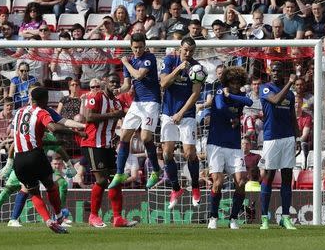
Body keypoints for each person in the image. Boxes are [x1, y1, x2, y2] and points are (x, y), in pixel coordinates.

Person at [81, 78, 138, 228]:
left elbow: (124, 113)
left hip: (107, 146)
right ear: (105, 83)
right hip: (93, 144)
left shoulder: (117, 103)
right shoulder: (97, 96)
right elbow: (89, 117)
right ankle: (93, 216)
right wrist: (113, 115)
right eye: (112, 82)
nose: (114, 84)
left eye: (116, 83)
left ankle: (118, 218)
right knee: (101, 180)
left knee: (115, 180)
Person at [108, 33, 162, 189]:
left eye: (140, 47)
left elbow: (138, 75)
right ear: (131, 46)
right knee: (124, 136)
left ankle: (156, 171)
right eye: (135, 47)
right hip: (137, 102)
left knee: (145, 138)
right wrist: (119, 90)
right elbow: (127, 85)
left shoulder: (149, 57)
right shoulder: (130, 61)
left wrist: (125, 63)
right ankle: (119, 173)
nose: (138, 50)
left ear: (144, 46)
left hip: (151, 102)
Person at [12, 87, 69, 233]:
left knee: (34, 192)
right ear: (45, 99)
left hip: (18, 159)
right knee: (50, 185)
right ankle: (58, 216)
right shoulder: (41, 111)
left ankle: (47, 220)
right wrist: (75, 132)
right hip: (35, 156)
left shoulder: (19, 111)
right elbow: (53, 128)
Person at [206, 66, 253, 230]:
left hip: (234, 145)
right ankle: (213, 216)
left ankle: (233, 218)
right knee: (217, 183)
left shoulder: (239, 95)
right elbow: (219, 107)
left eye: (238, 82)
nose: (235, 85)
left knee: (241, 182)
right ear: (227, 81)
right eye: (232, 82)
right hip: (216, 143)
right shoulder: (219, 92)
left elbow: (250, 102)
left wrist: (231, 95)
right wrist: (233, 117)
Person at [158, 37, 202, 209]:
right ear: (180, 48)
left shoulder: (197, 68)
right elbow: (163, 83)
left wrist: (181, 113)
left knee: (189, 153)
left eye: (191, 51)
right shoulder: (169, 60)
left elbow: (196, 94)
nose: (188, 53)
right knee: (167, 154)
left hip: (187, 114)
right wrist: (178, 69)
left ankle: (196, 187)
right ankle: (176, 188)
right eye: (185, 50)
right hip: (168, 113)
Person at [258, 61, 298, 230]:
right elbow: (275, 100)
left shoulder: (291, 95)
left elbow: (292, 116)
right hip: (271, 137)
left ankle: (286, 217)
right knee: (268, 175)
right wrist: (290, 82)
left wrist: (296, 137)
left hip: (288, 137)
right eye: (273, 70)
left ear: (282, 73)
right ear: (269, 72)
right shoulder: (265, 88)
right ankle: (265, 218)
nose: (275, 73)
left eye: (278, 71)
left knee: (287, 176)